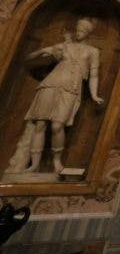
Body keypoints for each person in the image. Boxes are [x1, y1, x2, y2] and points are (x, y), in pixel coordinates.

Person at [15, 17, 103, 173]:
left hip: (71, 89)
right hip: (50, 84)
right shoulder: (64, 46)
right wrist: (44, 50)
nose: (79, 33)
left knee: (57, 125)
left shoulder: (93, 51)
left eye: (83, 30)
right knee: (40, 124)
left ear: (89, 33)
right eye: (78, 29)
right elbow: (29, 57)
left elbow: (94, 75)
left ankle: (57, 162)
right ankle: (34, 165)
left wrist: (94, 95)